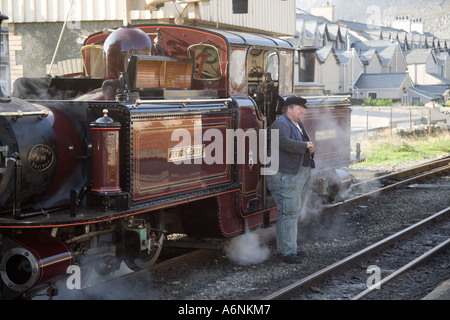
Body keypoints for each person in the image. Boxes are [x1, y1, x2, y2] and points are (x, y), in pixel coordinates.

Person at [267, 96, 315, 264]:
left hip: (297, 173)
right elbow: (282, 142)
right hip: (285, 174)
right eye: (300, 108)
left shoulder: (298, 124)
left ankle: (290, 248)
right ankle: (286, 252)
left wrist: (309, 146)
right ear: (289, 109)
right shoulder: (280, 124)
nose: (302, 111)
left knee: (293, 212)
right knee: (288, 212)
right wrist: (305, 146)